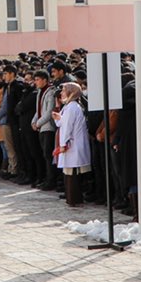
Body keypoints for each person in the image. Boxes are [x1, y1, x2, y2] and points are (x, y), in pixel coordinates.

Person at [53, 81, 92, 209]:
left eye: (64, 91)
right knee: (70, 172)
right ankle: (72, 198)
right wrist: (58, 117)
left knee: (72, 173)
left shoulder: (72, 107)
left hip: (72, 145)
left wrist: (63, 144)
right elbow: (62, 123)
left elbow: (67, 128)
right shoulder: (69, 107)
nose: (62, 93)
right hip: (72, 144)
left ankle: (73, 199)